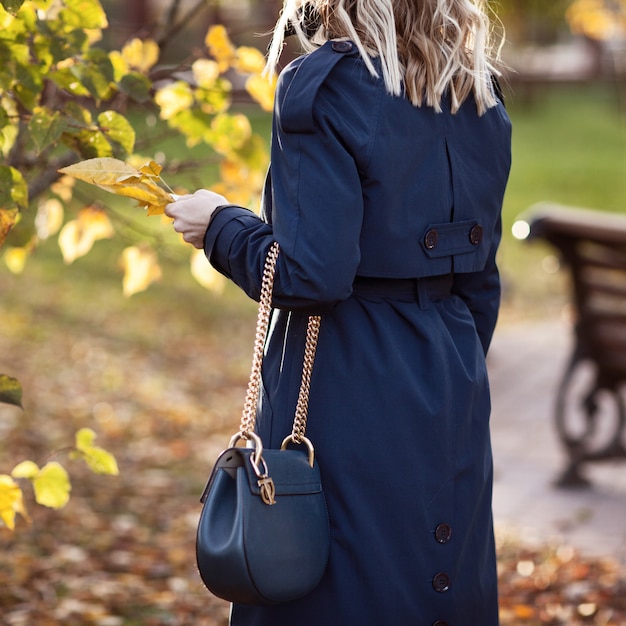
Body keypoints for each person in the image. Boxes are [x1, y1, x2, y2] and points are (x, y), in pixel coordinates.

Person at [165, 0, 512, 623]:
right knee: (439, 585)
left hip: (346, 381)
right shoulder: (475, 93)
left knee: (336, 592)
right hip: (453, 378)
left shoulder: (324, 87)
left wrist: (220, 225)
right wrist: (444, 370)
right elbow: (481, 281)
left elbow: (309, 274)